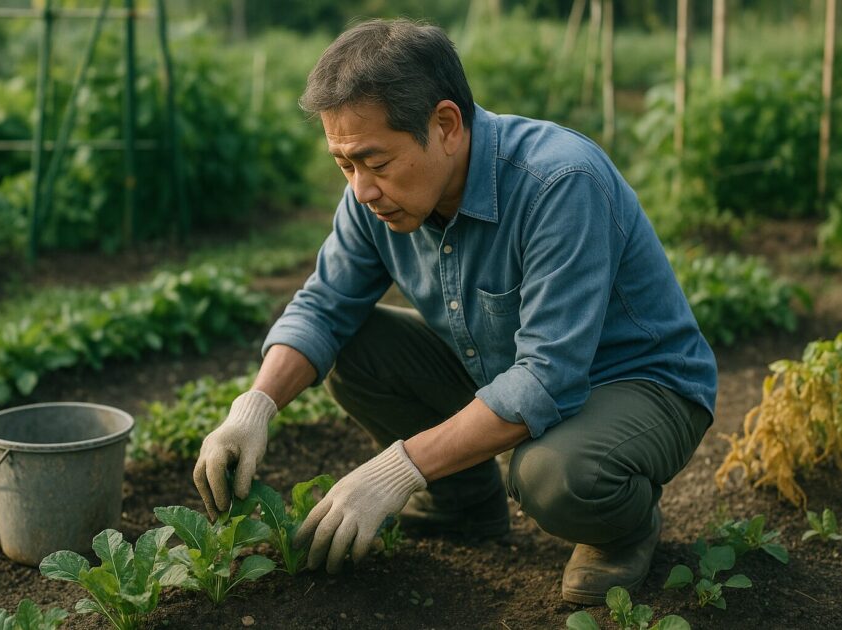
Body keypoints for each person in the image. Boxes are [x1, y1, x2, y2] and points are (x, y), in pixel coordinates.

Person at [192, 18, 717, 605]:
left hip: (637, 382)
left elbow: (548, 377)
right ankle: (463, 505)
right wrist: (254, 406)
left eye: (376, 162)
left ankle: (623, 530)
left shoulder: (559, 182)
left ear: (445, 125)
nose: (362, 188)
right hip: (505, 369)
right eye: (344, 164)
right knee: (353, 348)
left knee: (555, 476)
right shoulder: (373, 196)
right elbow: (323, 306)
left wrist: (397, 469)